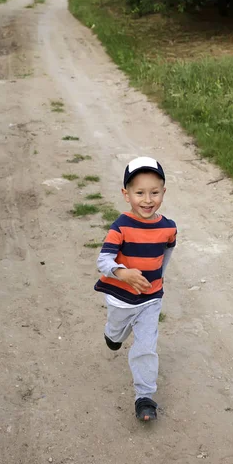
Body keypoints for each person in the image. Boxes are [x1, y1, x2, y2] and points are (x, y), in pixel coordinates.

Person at [94, 157, 177, 421]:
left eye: (154, 192)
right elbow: (103, 260)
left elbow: (167, 254)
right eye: (139, 192)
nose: (147, 199)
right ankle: (113, 335)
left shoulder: (168, 228)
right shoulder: (121, 226)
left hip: (151, 299)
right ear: (126, 195)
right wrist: (123, 273)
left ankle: (144, 397)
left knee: (145, 348)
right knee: (117, 333)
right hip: (120, 298)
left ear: (163, 192)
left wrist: (157, 280)